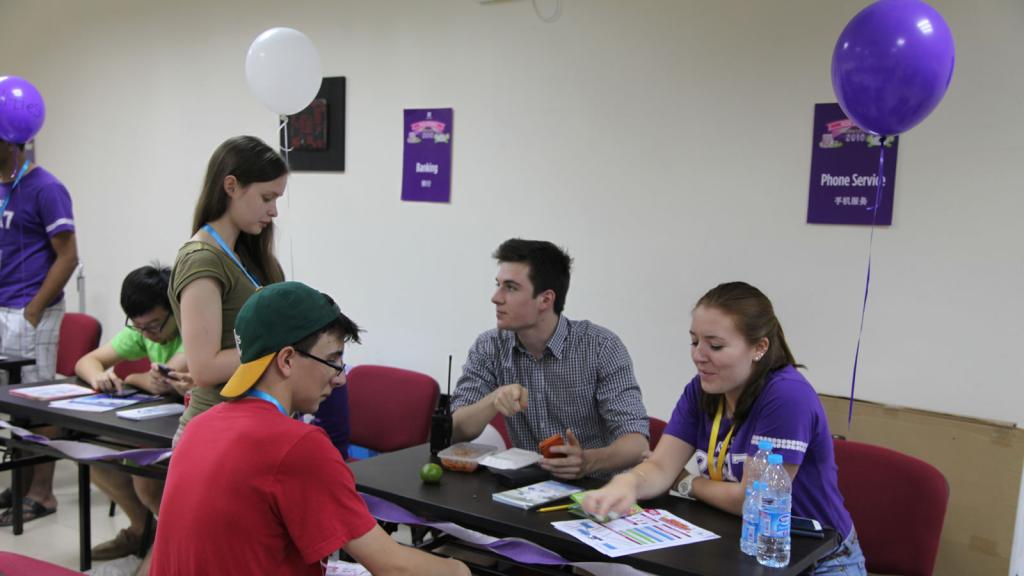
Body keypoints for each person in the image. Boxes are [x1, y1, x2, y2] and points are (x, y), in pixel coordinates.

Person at [149, 281, 469, 576]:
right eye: (333, 360)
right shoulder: (297, 445)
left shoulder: (199, 426)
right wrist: (461, 570)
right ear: (287, 360)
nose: (341, 378)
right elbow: (391, 566)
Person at [582, 282, 867, 574]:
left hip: (817, 560)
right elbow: (660, 467)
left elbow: (750, 499)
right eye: (694, 342)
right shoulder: (702, 389)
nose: (699, 355)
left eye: (715, 345)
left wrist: (686, 483)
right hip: (744, 547)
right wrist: (628, 483)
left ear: (759, 347)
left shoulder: (787, 396)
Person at [450, 238, 648, 480]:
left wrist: (587, 461)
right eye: (498, 284)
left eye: (510, 287)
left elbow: (637, 443)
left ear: (545, 300)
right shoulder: (489, 346)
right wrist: (493, 400)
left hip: (597, 490)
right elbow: (456, 430)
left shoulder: (601, 346)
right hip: (527, 488)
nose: (496, 297)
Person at [168, 134, 286, 446]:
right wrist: (284, 345)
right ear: (231, 187)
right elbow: (205, 368)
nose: (274, 211)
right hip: (215, 430)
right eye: (266, 198)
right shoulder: (202, 260)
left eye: (277, 200)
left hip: (252, 423)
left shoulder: (250, 256)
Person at [74, 264, 193, 562]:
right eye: (139, 327)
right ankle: (142, 530)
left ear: (174, 309)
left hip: (190, 431)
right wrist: (97, 377)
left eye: (154, 325)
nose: (148, 335)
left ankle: (178, 540)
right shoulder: (143, 331)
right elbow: (87, 361)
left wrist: (131, 379)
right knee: (95, 455)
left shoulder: (193, 327)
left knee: (145, 477)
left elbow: (166, 378)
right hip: (154, 425)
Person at [0, 93, 78, 527]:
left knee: (37, 404)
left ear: (9, 139)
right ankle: (19, 483)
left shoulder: (46, 187)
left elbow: (67, 257)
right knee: (11, 405)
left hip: (33, 311)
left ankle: (43, 493)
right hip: (2, 306)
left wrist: (33, 308)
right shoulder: (1, 187)